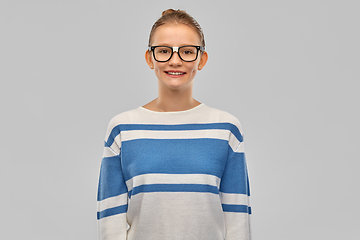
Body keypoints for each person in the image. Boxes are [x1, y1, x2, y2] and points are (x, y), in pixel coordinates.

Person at [97, 9, 251, 240]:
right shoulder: (123, 129)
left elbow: (238, 220)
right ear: (150, 58)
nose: (175, 60)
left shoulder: (225, 129)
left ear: (202, 59)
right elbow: (110, 223)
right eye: (164, 51)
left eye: (188, 51)